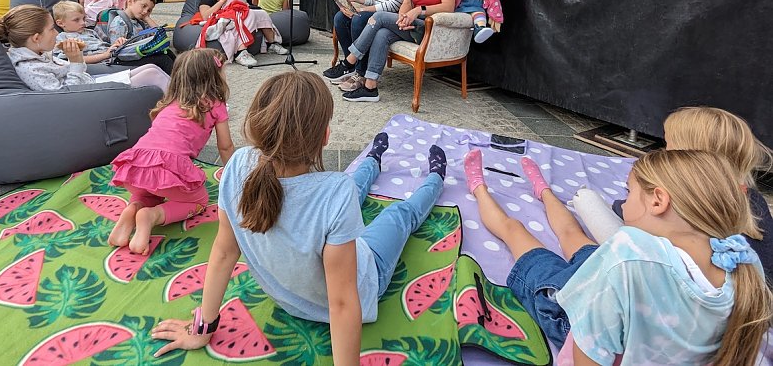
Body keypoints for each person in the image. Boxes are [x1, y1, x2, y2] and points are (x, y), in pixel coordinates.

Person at [149, 71, 449, 362]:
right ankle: (436, 178)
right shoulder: (335, 192)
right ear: (325, 136)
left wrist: (205, 328)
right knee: (400, 213)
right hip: (366, 276)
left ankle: (374, 156)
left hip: (292, 301)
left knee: (354, 184)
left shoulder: (238, 164)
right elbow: (343, 303)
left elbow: (224, 252)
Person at [465, 146, 771, 365]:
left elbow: (584, 355)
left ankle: (478, 188)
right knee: (574, 236)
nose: (623, 205)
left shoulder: (627, 251)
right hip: (615, 296)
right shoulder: (742, 262)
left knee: (515, 231)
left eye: (629, 192)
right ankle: (543, 190)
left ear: (658, 201)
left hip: (569, 310)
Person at [577, 106, 773, 275]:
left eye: (668, 146)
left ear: (687, 159)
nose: (662, 153)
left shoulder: (685, 202)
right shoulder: (753, 198)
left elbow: (630, 225)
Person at [109, 48, 234, 255]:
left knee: (151, 193)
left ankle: (134, 210)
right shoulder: (215, 104)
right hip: (168, 167)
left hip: (136, 166)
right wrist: (233, 173)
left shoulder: (169, 102)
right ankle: (152, 216)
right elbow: (225, 146)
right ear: (213, 77)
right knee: (199, 200)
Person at [0, 4, 170, 92]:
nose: (55, 33)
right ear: (36, 38)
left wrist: (76, 61)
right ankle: (190, 109)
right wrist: (75, 61)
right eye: (51, 29)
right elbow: (66, 97)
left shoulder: (39, 53)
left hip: (89, 83)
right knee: (151, 74)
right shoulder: (30, 67)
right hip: (86, 96)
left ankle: (189, 104)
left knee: (150, 68)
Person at [195, 0, 287, 67]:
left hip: (237, 14)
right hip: (225, 19)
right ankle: (241, 52)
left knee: (262, 13)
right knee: (248, 15)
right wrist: (222, 0)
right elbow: (206, 16)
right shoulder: (207, 0)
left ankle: (272, 44)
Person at [53, 1, 125, 64]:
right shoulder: (63, 39)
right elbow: (72, 60)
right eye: (76, 20)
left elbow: (106, 44)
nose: (83, 23)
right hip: (101, 62)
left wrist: (117, 43)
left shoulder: (90, 32)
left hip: (112, 54)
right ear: (61, 23)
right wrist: (105, 55)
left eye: (84, 18)